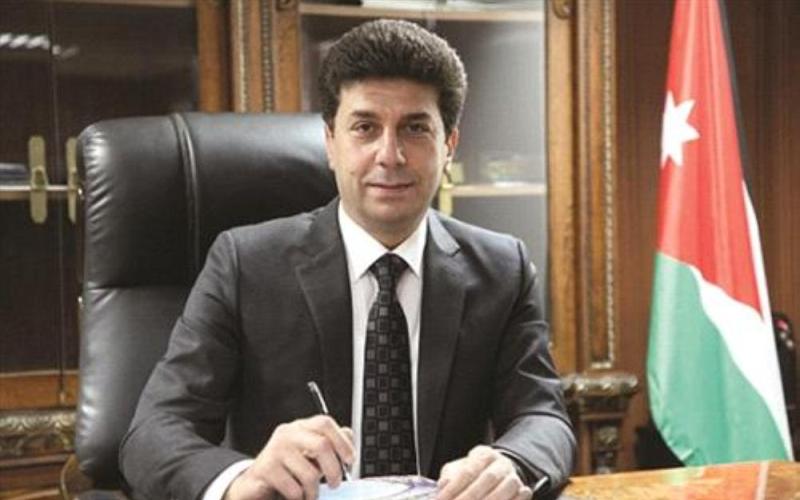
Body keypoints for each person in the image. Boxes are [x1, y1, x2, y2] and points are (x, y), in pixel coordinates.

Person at [120, 19, 575, 500]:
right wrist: (243, 479)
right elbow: (152, 435)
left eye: (415, 128)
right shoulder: (245, 264)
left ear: (449, 146)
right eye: (365, 127)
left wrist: (510, 463)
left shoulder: (502, 268)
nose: (390, 155)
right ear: (331, 143)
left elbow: (543, 417)